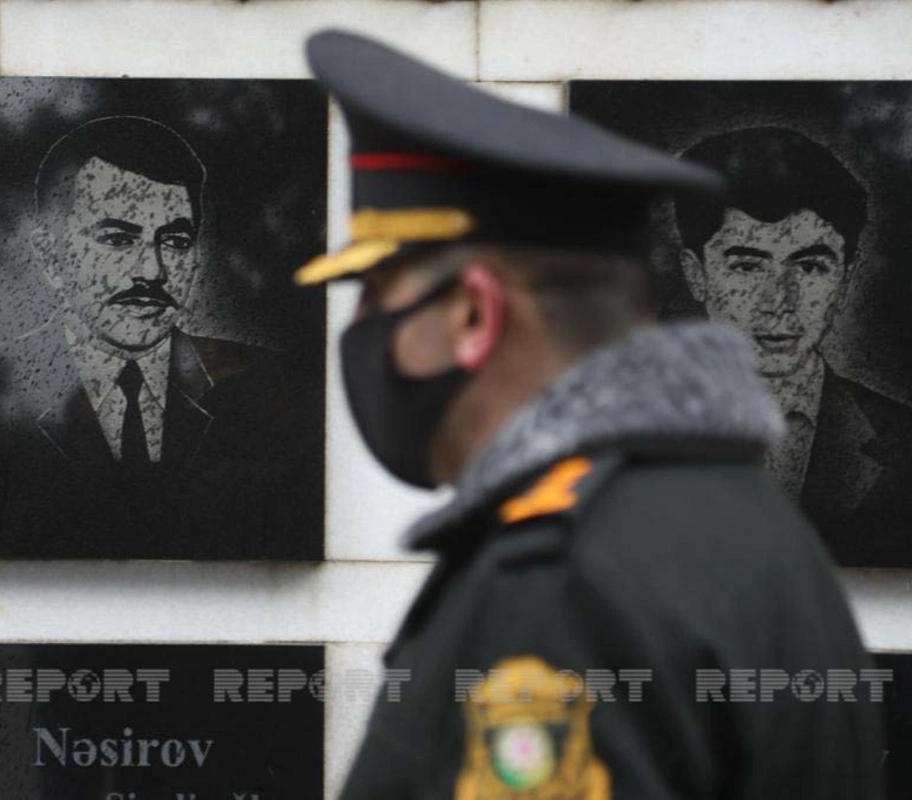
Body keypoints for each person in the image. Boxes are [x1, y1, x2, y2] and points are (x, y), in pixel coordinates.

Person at [296, 31, 884, 798]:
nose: (363, 330)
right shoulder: (748, 522)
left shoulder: (556, 587)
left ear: (472, 313)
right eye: (748, 263)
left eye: (379, 293)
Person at [0, 116, 317, 558]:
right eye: (116, 239)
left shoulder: (271, 387)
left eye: (175, 241)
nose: (151, 270)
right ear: (52, 257)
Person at [676, 127, 912, 566]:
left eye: (809, 267)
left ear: (845, 278)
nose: (779, 302)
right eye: (747, 266)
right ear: (697, 275)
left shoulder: (904, 444)